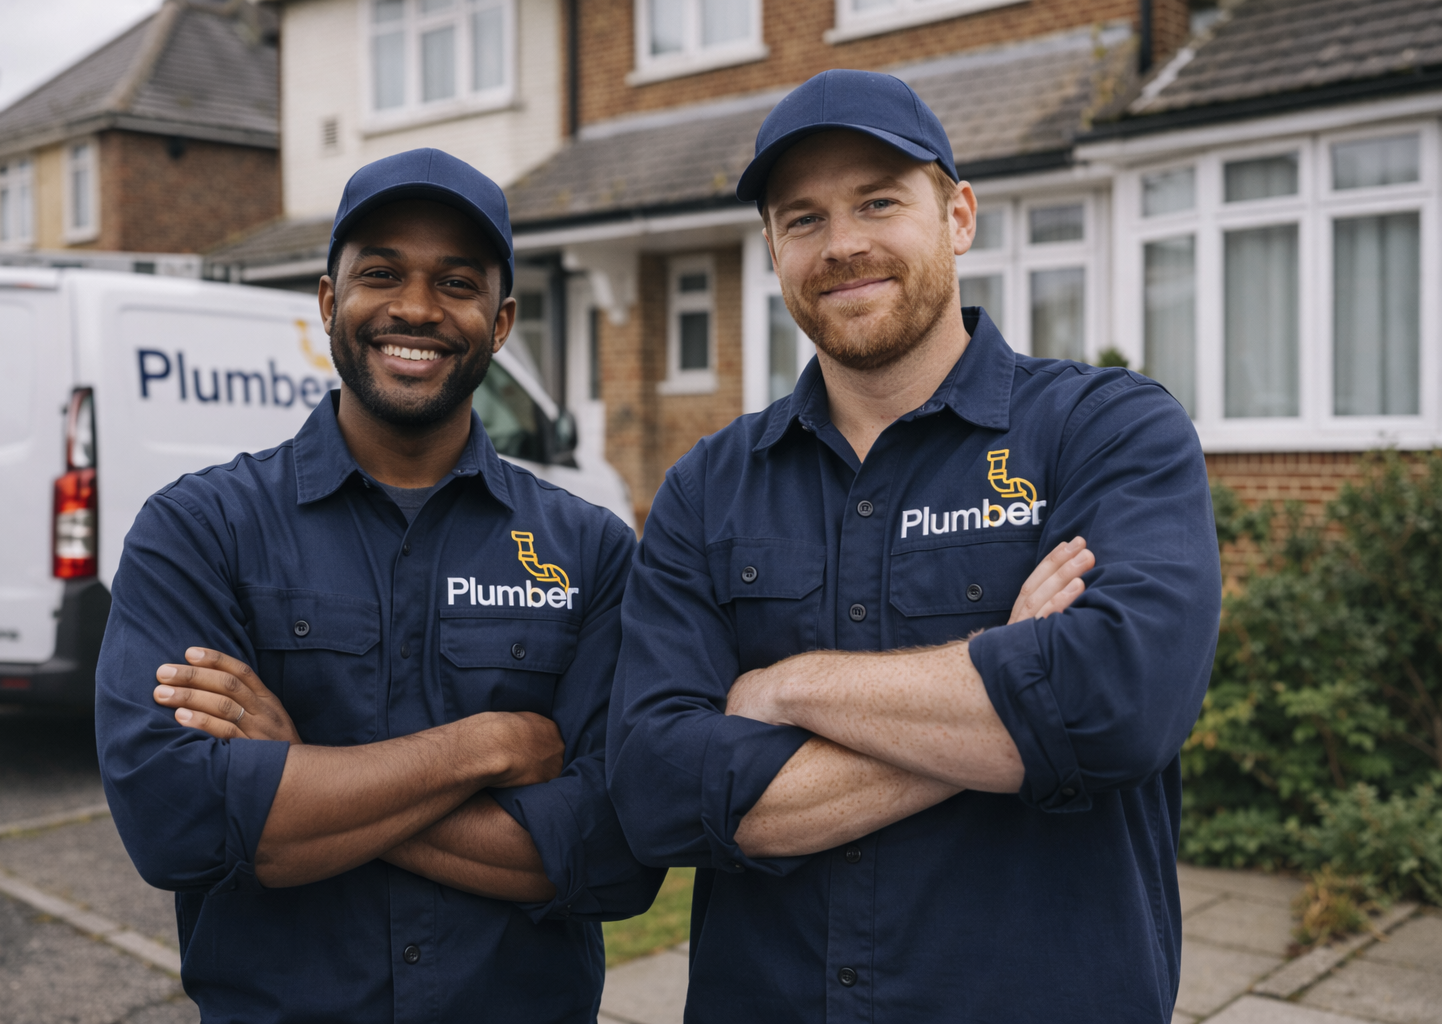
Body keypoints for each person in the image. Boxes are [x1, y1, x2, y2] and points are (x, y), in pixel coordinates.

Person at [606, 70, 1220, 1022]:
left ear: (959, 215)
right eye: (801, 219)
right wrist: (1006, 678)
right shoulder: (707, 488)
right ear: (773, 249)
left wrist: (784, 689)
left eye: (879, 201)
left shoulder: (1103, 430)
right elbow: (654, 789)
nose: (842, 244)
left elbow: (1115, 703)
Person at [95, 148, 662, 1024]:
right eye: (382, 273)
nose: (416, 309)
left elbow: (615, 856)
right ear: (329, 302)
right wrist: (487, 745)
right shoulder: (199, 531)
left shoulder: (587, 550)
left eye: (457, 282)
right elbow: (179, 824)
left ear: (502, 320)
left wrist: (300, 779)